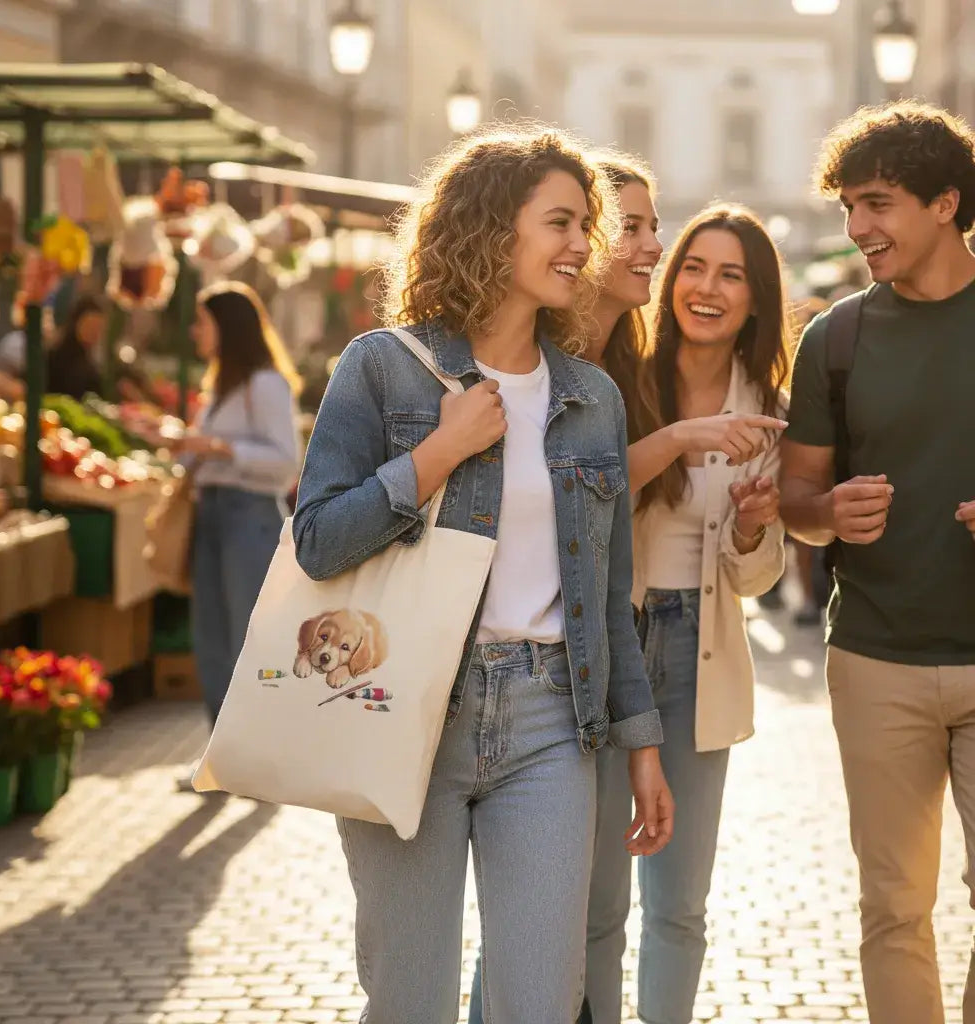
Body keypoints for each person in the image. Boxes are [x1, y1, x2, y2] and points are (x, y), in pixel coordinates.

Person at [292, 127, 673, 1024]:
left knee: (541, 1002)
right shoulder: (381, 368)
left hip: (551, 720)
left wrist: (642, 745)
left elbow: (605, 595)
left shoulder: (592, 397)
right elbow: (317, 540)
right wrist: (439, 452)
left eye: (586, 225)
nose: (583, 245)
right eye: (560, 223)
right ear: (492, 228)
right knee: (411, 1001)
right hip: (405, 710)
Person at [780, 101, 975, 1024]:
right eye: (849, 206)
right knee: (894, 909)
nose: (858, 227)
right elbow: (795, 498)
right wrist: (827, 513)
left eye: (878, 203)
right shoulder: (837, 337)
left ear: (946, 203)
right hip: (876, 659)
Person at [607, 201, 789, 1024]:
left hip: (699, 653)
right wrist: (681, 435)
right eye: (693, 267)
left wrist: (752, 527)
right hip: (611, 639)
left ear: (755, 300)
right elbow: (586, 498)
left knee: (678, 903)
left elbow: (755, 579)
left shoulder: (770, 407)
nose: (706, 289)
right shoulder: (621, 376)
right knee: (591, 895)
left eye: (731, 276)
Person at [179, 281, 303, 739]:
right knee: (210, 639)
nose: (195, 331)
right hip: (211, 514)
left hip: (249, 517)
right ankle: (222, 749)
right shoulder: (219, 386)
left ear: (227, 326)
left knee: (247, 641)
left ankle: (254, 748)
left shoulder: (265, 384)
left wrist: (221, 448)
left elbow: (286, 462)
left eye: (203, 321)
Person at [46, 294, 108, 400]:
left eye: (98, 328)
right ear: (76, 323)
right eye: (90, 325)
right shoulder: (54, 357)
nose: (94, 333)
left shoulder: (91, 365)